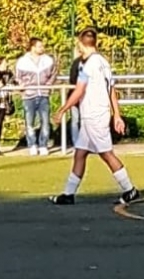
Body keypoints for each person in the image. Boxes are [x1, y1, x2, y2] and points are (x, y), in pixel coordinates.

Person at [49, 29, 139, 206]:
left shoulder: (89, 65)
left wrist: (63, 109)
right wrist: (116, 115)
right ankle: (68, 194)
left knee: (106, 153)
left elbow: (79, 90)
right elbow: (111, 89)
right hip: (94, 115)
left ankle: (130, 189)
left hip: (94, 116)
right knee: (80, 153)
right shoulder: (104, 62)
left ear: (81, 44)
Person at [15, 38, 57, 156]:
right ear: (33, 47)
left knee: (45, 122)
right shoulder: (22, 61)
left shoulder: (48, 60)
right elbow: (18, 77)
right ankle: (32, 144)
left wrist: (48, 85)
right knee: (29, 122)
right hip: (29, 96)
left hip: (43, 95)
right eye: (39, 46)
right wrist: (21, 85)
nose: (42, 48)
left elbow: (54, 73)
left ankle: (43, 145)